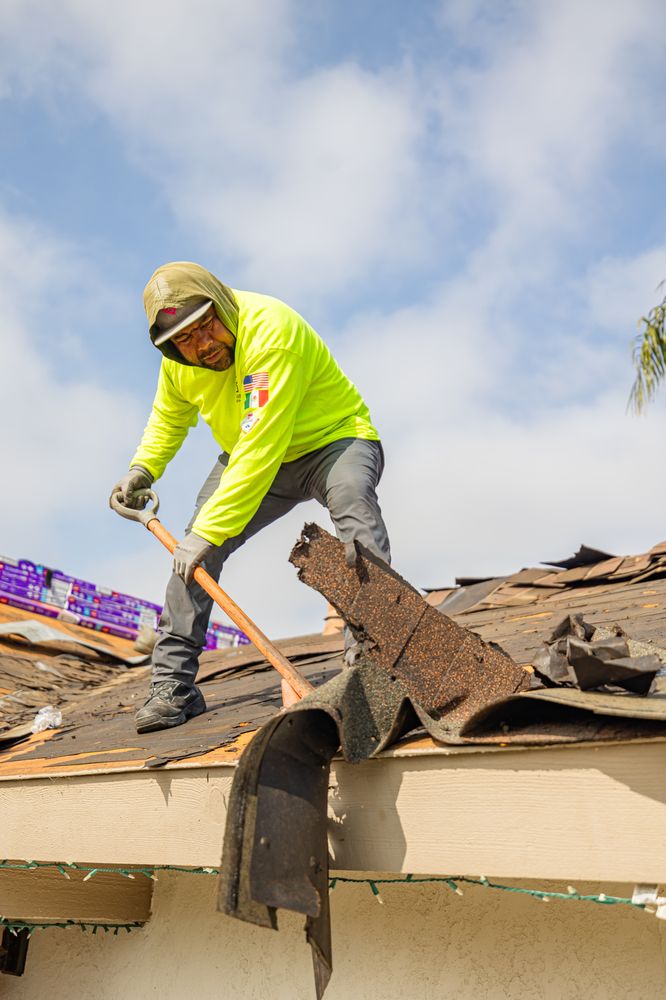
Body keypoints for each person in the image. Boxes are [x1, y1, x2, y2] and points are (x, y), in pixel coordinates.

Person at [110, 261, 391, 733]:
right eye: (185, 340)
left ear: (220, 305)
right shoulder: (180, 363)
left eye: (206, 328)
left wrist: (208, 530)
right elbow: (168, 419)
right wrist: (143, 468)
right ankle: (173, 684)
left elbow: (261, 443)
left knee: (353, 505)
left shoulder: (271, 331)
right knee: (190, 556)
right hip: (255, 453)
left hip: (334, 442)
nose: (201, 346)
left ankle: (376, 658)